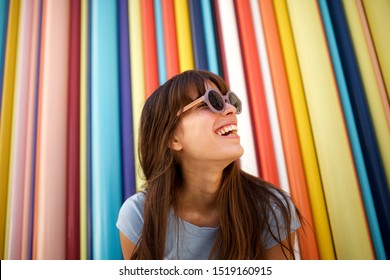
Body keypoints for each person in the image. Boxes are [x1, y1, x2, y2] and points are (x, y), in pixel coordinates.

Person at [116, 70, 302, 260]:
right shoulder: (138, 217)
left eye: (229, 100)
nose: (230, 109)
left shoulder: (271, 208)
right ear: (172, 138)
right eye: (209, 102)